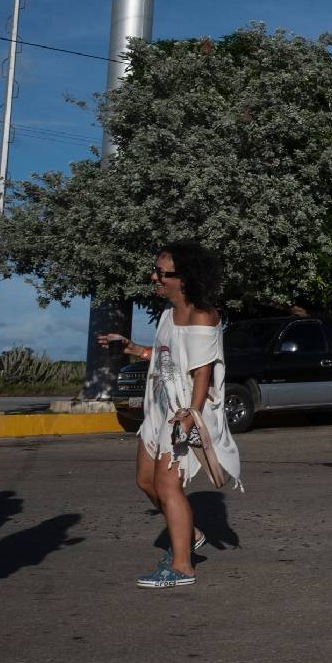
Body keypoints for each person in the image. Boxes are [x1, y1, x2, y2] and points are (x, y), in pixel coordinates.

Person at [97, 242, 242, 589]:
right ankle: (188, 533)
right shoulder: (166, 315)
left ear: (185, 278)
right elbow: (167, 359)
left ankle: (182, 566)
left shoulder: (202, 315)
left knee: (167, 484)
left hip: (184, 412)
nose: (154, 278)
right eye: (156, 270)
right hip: (159, 410)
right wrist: (133, 348)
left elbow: (202, 373)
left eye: (162, 273)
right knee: (146, 482)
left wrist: (190, 415)